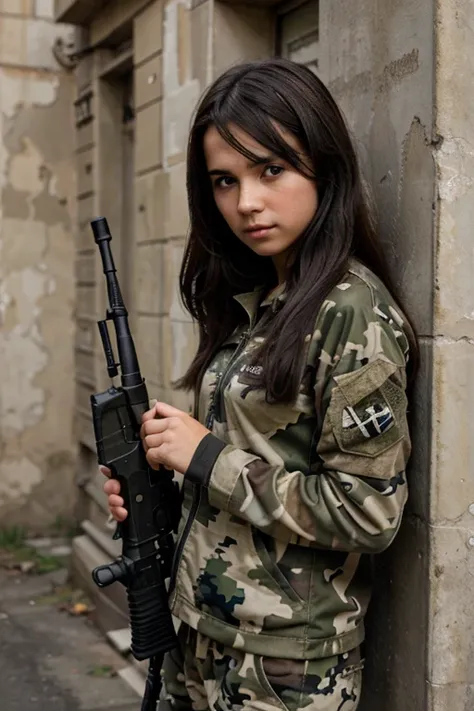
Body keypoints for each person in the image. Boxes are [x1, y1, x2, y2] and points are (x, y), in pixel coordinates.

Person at [102, 58, 417, 711]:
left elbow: (369, 511)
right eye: (224, 180)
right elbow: (256, 465)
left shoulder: (352, 312)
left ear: (323, 166)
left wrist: (205, 455)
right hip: (201, 629)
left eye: (271, 169)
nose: (246, 201)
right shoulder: (255, 299)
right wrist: (157, 480)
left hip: (286, 666)